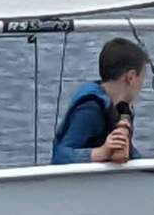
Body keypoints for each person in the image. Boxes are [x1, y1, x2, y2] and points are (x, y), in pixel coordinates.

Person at [50, 37, 148, 166]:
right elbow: (59, 157)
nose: (141, 85)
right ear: (130, 77)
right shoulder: (91, 109)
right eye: (141, 78)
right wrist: (101, 153)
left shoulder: (121, 109)